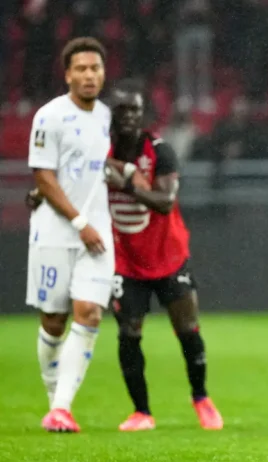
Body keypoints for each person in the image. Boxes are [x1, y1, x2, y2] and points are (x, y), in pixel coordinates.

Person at [28, 81, 224, 431]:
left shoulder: (159, 151)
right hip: (125, 262)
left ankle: (201, 398)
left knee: (187, 328)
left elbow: (164, 202)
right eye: (122, 111)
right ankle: (142, 411)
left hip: (168, 256)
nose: (130, 117)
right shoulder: (98, 152)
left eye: (136, 109)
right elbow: (67, 182)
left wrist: (126, 179)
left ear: (144, 113)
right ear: (111, 116)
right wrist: (39, 195)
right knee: (129, 334)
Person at [26, 37, 113, 433]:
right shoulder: (49, 116)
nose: (89, 75)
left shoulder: (108, 117)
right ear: (67, 74)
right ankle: (52, 397)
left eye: (95, 68)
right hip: (57, 232)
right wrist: (79, 221)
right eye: (81, 68)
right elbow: (43, 174)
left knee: (90, 313)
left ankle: (62, 408)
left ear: (103, 73)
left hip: (97, 234)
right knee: (54, 320)